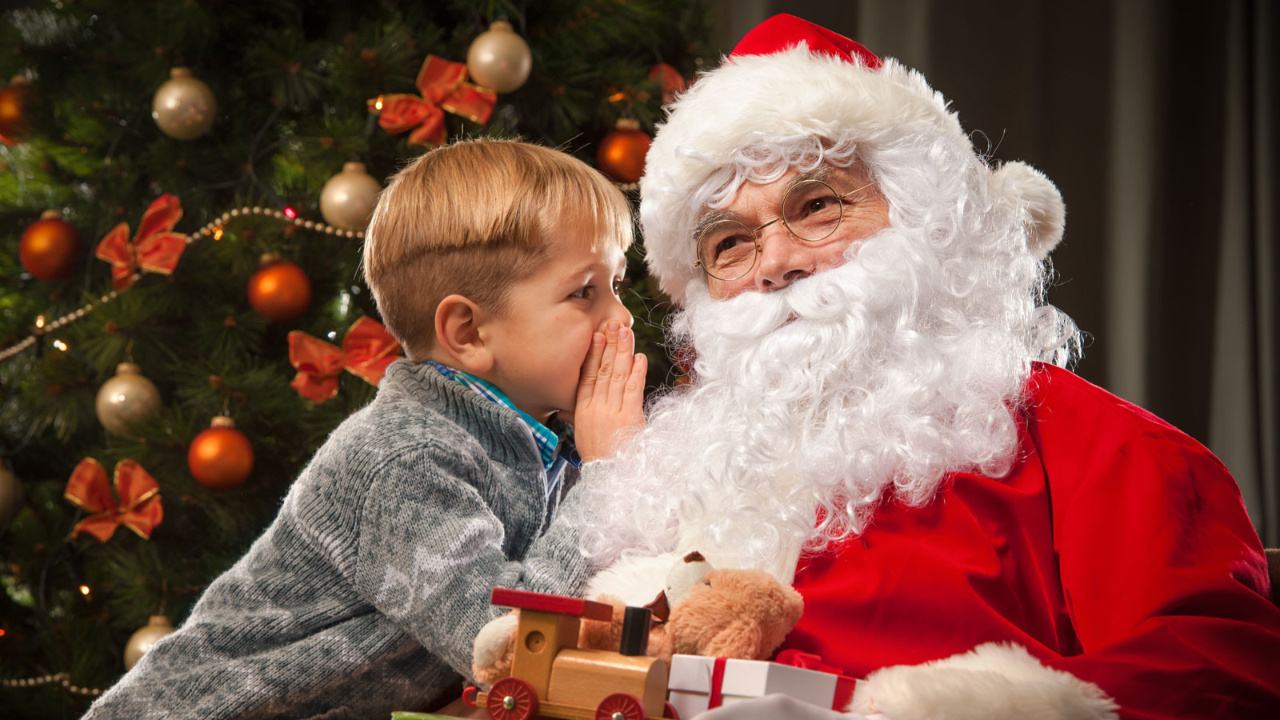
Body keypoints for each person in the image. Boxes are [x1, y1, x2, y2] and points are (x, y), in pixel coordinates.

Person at [577, 15, 1280, 720]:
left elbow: (1219, 667)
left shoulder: (1107, 449)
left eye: (817, 206)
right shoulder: (680, 470)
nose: (776, 264)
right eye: (730, 243)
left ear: (928, 219)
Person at [83, 140, 647, 720]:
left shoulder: (542, 448)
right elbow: (506, 644)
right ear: (469, 332)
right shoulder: (402, 455)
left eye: (617, 285)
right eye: (584, 291)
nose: (622, 317)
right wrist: (608, 475)